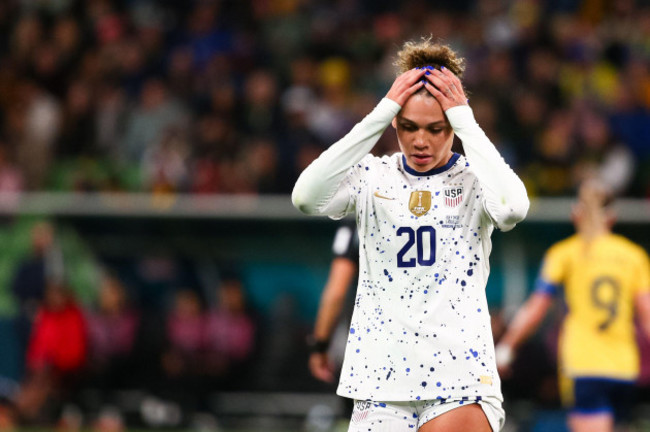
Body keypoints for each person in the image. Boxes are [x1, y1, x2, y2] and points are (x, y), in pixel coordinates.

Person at [292, 36, 529, 432]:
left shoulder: (474, 180)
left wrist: (466, 121)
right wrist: (379, 114)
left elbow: (514, 208)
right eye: (409, 127)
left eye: (437, 128)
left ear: (452, 123)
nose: (421, 141)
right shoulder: (372, 176)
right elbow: (306, 197)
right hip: (378, 380)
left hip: (459, 378)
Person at [495, 179, 650, 432]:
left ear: (576, 214)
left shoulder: (565, 254)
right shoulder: (634, 256)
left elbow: (536, 309)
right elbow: (647, 315)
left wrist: (507, 347)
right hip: (624, 368)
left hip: (584, 365)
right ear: (612, 217)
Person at [308, 218, 359, 384]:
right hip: (425, 341)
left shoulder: (359, 219)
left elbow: (336, 292)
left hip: (371, 344)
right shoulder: (436, 214)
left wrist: (320, 346)